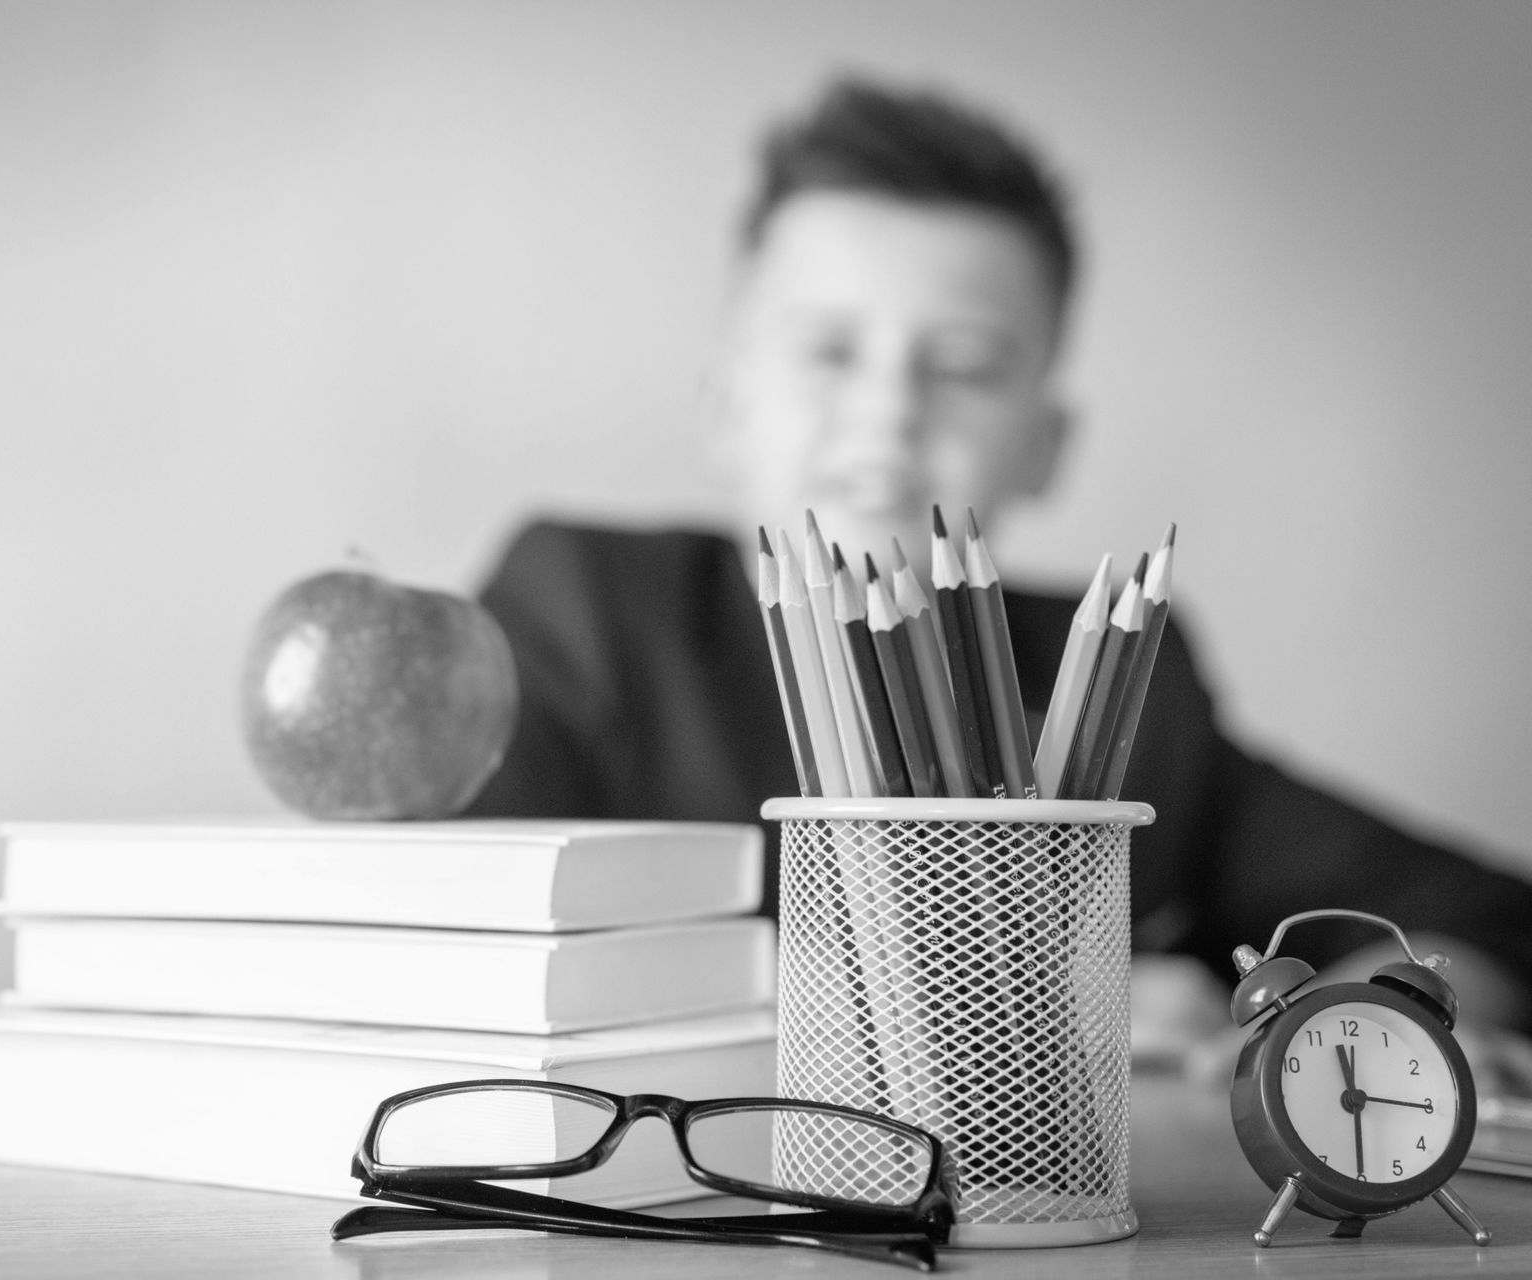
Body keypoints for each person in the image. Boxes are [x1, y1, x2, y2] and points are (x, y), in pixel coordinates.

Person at [463, 76, 1532, 1032]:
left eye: (966, 366)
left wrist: (1349, 1043)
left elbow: (1481, 919)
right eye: (831, 350)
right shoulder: (583, 604)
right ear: (725, 407)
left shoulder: (1119, 675)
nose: (888, 409)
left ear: (1045, 444)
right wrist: (1032, 1004)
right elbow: (457, 935)